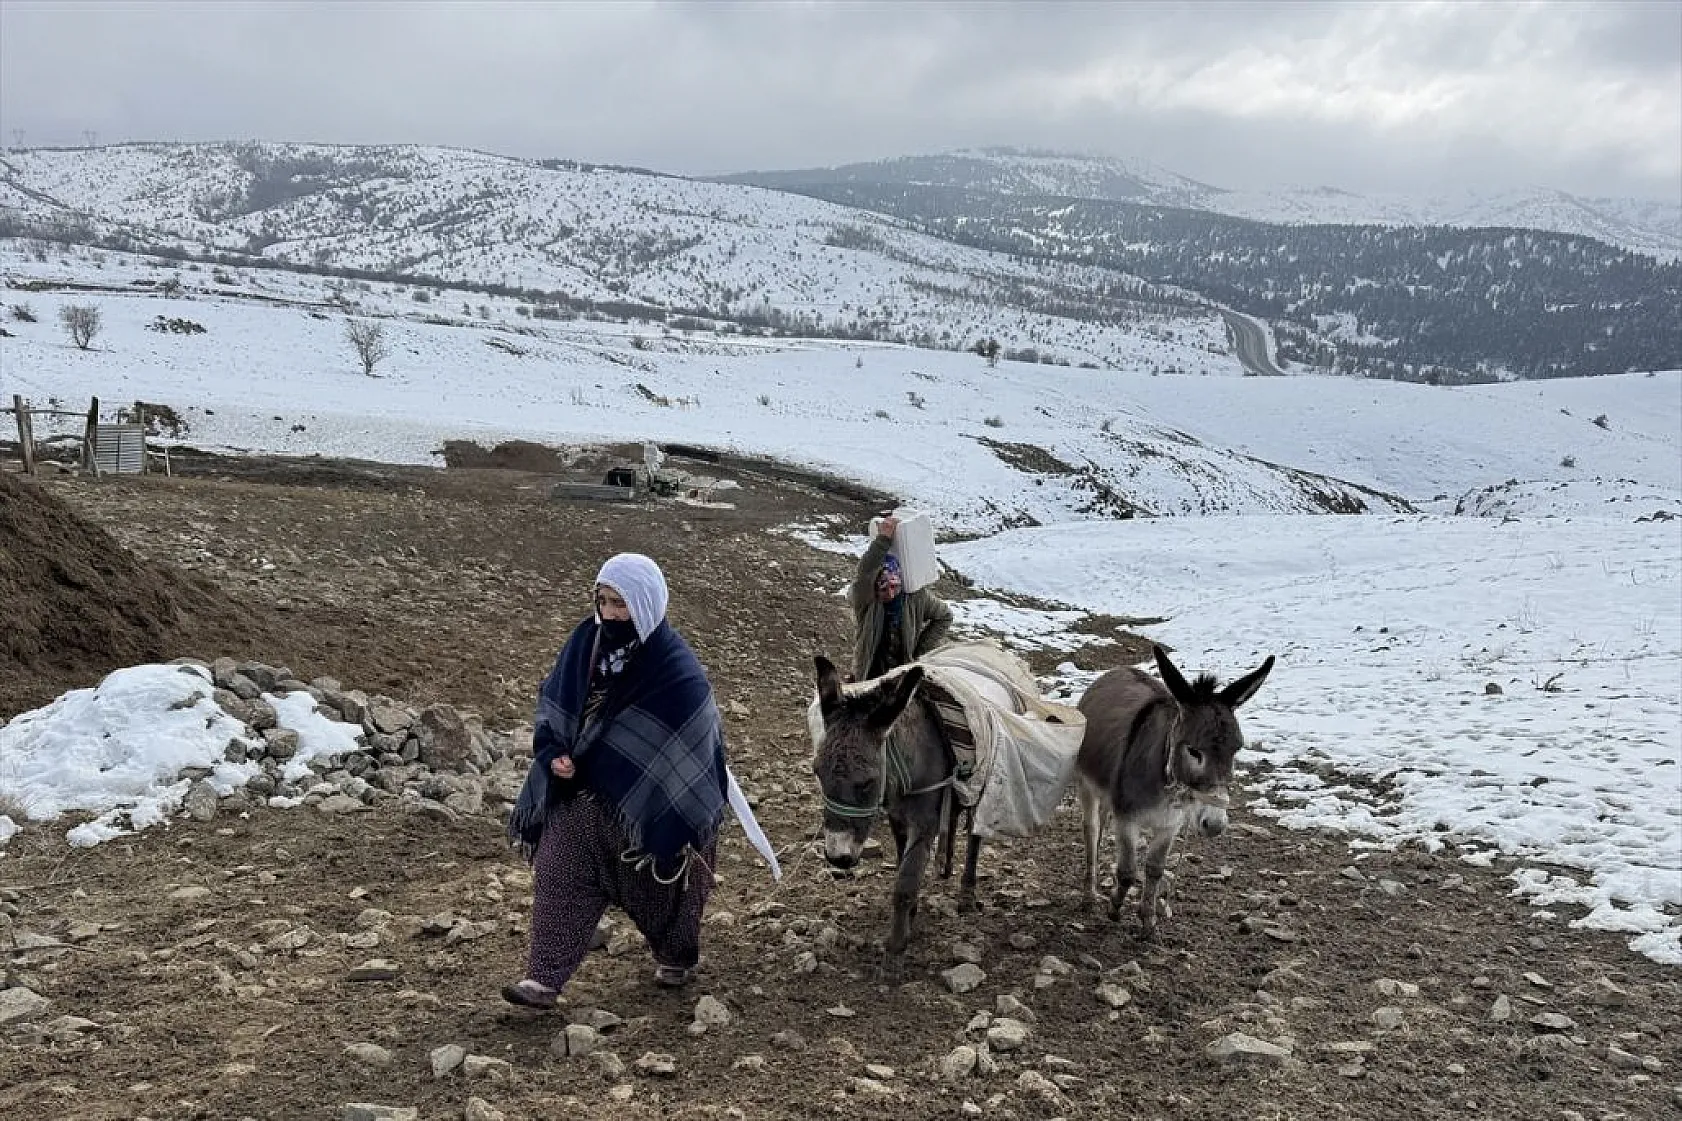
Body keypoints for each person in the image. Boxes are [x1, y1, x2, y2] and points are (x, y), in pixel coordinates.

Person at [503, 553, 728, 1009]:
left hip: (648, 813)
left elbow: (694, 743)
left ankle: (675, 956)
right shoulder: (585, 643)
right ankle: (543, 979)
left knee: (665, 891)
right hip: (581, 801)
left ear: (645, 605)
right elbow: (553, 705)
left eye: (621, 605)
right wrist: (554, 753)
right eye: (604, 602)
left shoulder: (674, 669)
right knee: (558, 872)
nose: (610, 614)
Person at [851, 513, 953, 682]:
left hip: (901, 675)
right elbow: (865, 571)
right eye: (883, 588)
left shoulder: (917, 598)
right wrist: (883, 539)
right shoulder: (865, 599)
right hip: (869, 675)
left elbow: (944, 616)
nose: (890, 593)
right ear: (875, 586)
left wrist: (919, 653)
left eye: (894, 586)